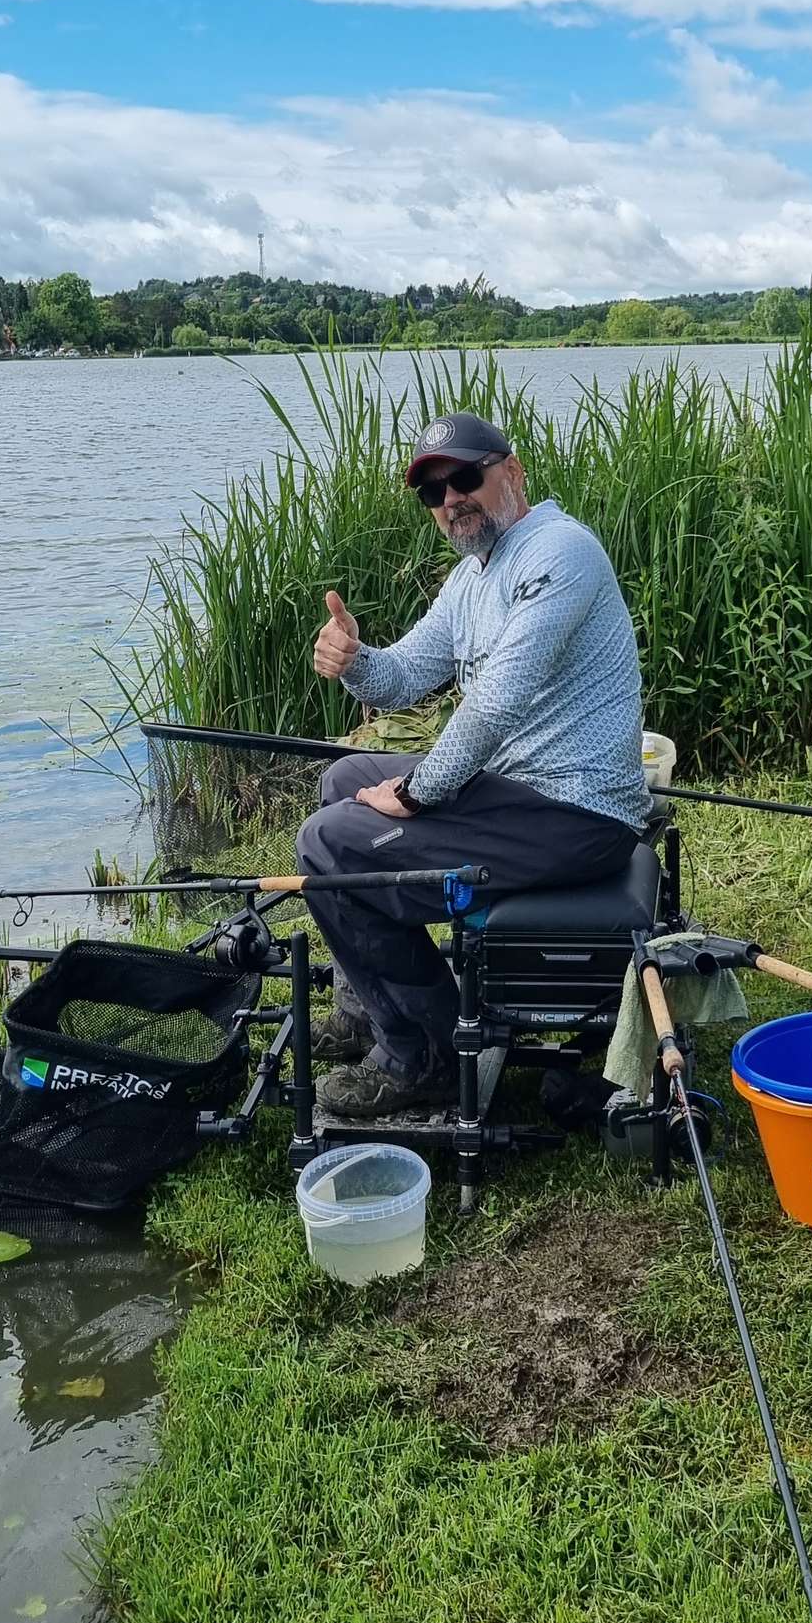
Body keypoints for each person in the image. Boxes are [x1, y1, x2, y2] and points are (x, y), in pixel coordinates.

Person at [297, 409, 652, 1119]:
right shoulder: (472, 576)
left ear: (512, 472)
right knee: (342, 779)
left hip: (578, 810)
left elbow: (497, 702)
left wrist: (419, 793)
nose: (451, 499)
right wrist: (354, 659)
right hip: (520, 793)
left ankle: (421, 1055)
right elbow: (403, 676)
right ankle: (370, 1008)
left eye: (464, 478)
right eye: (434, 491)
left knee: (327, 843)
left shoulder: (559, 551)